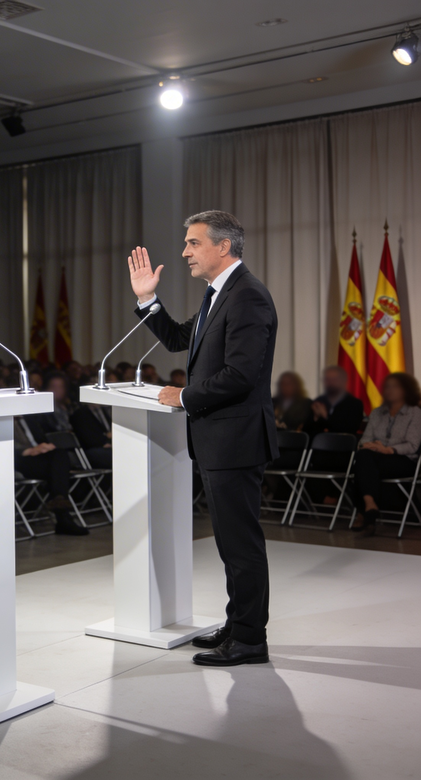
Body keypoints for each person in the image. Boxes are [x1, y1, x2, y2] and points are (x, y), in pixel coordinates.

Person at [128, 209, 278, 667]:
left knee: (241, 544)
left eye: (193, 243)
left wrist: (184, 396)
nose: (184, 252)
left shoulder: (247, 296)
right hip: (219, 439)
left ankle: (250, 639)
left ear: (223, 246)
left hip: (235, 440)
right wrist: (147, 300)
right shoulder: (221, 294)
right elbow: (178, 338)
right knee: (231, 543)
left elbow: (241, 375)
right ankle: (238, 624)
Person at [352, 372, 421, 535]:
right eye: (387, 386)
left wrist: (388, 449)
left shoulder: (415, 413)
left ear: (406, 390)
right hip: (375, 458)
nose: (390, 390)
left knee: (363, 464)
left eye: (395, 386)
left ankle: (363, 511)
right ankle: (370, 505)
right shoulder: (377, 413)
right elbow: (365, 439)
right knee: (363, 457)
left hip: (403, 460)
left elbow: (412, 445)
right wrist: (368, 445)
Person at [14, 414, 88, 536]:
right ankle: (63, 516)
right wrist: (27, 451)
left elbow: (41, 439)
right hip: (20, 460)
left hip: (40, 457)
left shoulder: (29, 418)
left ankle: (62, 512)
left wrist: (45, 447)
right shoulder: (3, 421)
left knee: (59, 454)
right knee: (58, 469)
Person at [306, 365, 365, 437]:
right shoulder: (319, 401)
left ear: (343, 381)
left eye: (334, 379)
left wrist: (325, 416)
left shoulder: (355, 404)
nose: (330, 383)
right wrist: (315, 417)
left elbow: (349, 430)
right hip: (316, 445)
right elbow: (306, 431)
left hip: (342, 445)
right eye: (327, 379)